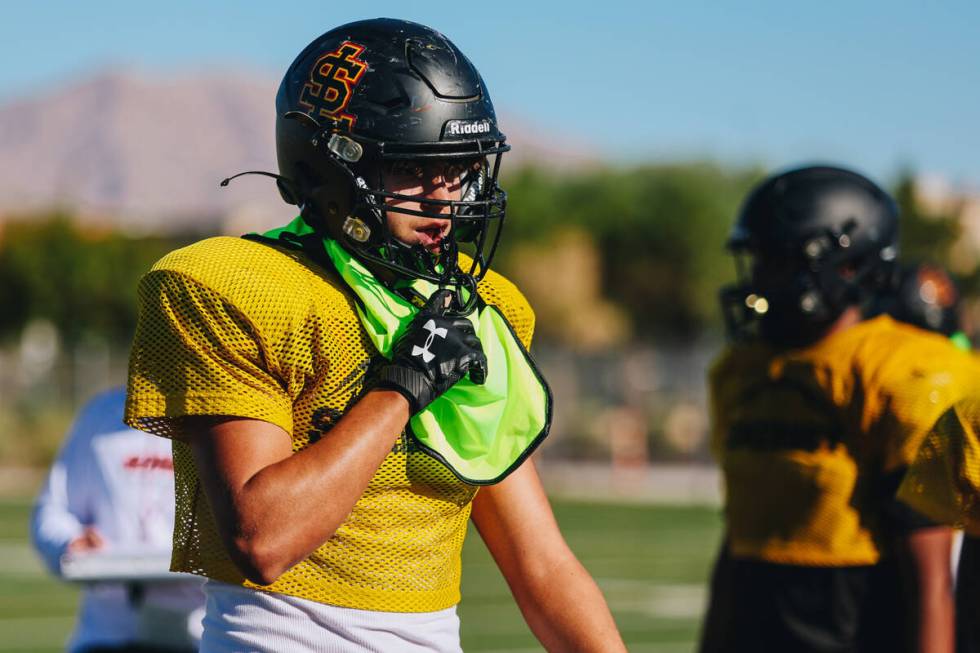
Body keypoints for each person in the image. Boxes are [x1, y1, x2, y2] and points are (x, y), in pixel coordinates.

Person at [124, 18, 625, 653]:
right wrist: (401, 389)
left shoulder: (474, 304)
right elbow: (263, 540)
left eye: (460, 168)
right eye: (415, 169)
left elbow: (541, 563)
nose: (444, 199)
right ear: (330, 165)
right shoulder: (234, 287)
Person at [699, 165, 980, 653]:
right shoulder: (740, 370)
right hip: (754, 616)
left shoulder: (904, 371)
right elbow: (737, 539)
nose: (760, 279)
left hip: (855, 622)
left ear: (846, 267)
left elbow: (932, 581)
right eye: (758, 260)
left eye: (778, 262)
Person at [31, 386, 205, 653]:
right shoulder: (101, 413)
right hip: (105, 636)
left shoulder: (220, 417)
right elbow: (52, 512)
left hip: (200, 635)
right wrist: (71, 541)